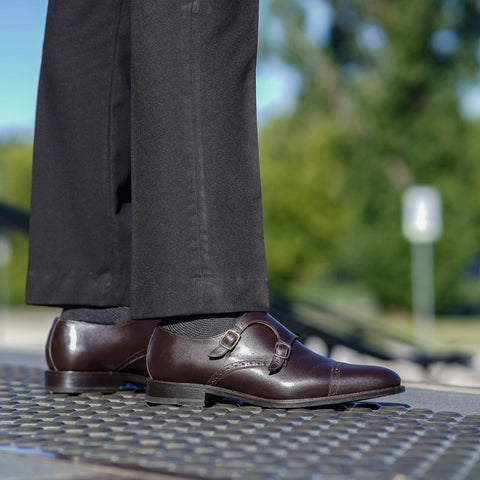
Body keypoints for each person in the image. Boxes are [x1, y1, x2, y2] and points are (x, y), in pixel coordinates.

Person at [27, 0, 403, 408]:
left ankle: (98, 323)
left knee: (97, 11)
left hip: (97, 332)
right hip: (207, 332)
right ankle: (206, 324)